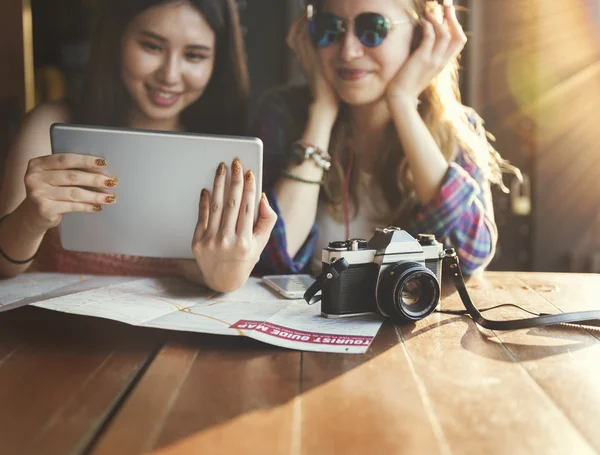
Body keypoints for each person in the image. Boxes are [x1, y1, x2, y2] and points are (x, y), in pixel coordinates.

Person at [0, 0, 277, 293]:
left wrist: (226, 274)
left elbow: (206, 272)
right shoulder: (50, 126)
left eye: (194, 55)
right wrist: (32, 216)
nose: (169, 75)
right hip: (55, 332)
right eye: (152, 47)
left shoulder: (226, 154)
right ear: (117, 39)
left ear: (217, 62)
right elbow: (5, 265)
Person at [252, 0, 513, 277]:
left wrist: (402, 103)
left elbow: (471, 254)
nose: (348, 51)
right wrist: (322, 113)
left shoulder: (457, 126)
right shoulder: (283, 114)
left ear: (422, 35)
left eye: (373, 29)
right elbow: (269, 257)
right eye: (331, 28)